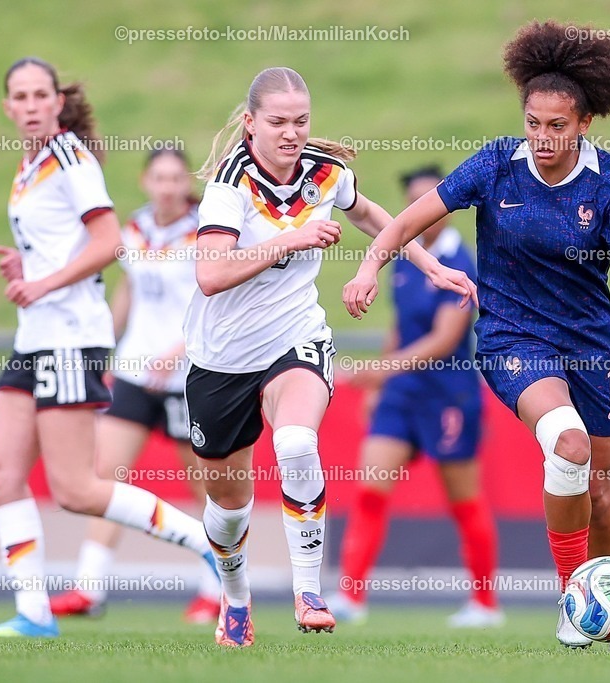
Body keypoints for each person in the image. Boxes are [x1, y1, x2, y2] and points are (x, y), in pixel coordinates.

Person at [343, 21, 610, 653]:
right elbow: (406, 221)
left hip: (590, 346)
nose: (542, 137)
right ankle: (572, 602)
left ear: (585, 123)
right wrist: (369, 266)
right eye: (533, 123)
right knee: (567, 445)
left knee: (600, 493)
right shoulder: (495, 165)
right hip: (513, 340)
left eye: (557, 125)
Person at [185, 66, 475, 647]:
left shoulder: (325, 173)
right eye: (278, 122)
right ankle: (235, 600)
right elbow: (211, 275)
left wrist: (430, 264)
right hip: (222, 358)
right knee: (229, 507)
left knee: (296, 441)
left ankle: (309, 592)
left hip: (296, 338)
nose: (292, 133)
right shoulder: (229, 186)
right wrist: (289, 239)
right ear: (251, 124)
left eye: (301, 121)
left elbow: (370, 215)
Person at [0, 57, 217, 638]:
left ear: (58, 102)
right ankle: (33, 615)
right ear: (7, 107)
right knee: (1, 472)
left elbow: (106, 243)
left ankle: (211, 544)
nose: (30, 105)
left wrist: (44, 284)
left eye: (40, 95)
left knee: (77, 489)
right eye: (20, 97)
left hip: (70, 336)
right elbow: (71, 246)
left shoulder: (69, 157)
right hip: (36, 336)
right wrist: (27, 265)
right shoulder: (30, 164)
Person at [48, 146, 222, 623]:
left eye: (175, 178)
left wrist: (179, 349)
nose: (167, 187)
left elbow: (216, 299)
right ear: (145, 180)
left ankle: (217, 589)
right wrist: (102, 343)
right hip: (133, 371)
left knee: (205, 486)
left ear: (186, 183)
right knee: (106, 476)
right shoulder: (135, 227)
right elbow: (129, 290)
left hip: (187, 375)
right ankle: (89, 588)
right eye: (158, 178)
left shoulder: (207, 230)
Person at [329, 165, 502, 628]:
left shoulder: (459, 262)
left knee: (464, 500)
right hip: (402, 393)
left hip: (448, 395)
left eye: (432, 200)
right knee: (370, 487)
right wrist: (383, 383)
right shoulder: (405, 256)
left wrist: (379, 371)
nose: (425, 211)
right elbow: (400, 326)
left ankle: (485, 604)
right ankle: (350, 596)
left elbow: (444, 340)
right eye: (414, 202)